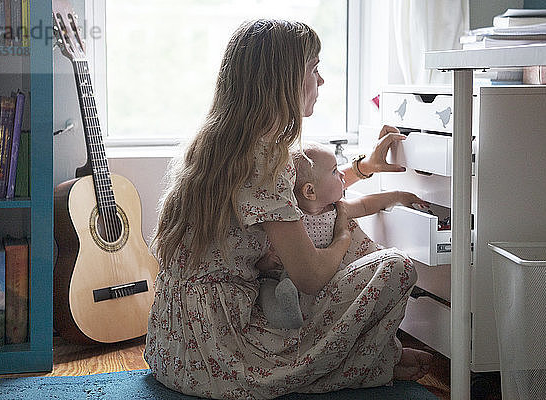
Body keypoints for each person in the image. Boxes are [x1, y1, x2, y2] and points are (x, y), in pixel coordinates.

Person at [145, 19, 432, 399]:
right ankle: (370, 362)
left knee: (322, 225)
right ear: (287, 81)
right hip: (220, 353)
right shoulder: (266, 159)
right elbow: (311, 276)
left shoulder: (220, 143)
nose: (322, 81)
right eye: (315, 68)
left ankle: (375, 358)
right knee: (396, 266)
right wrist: (344, 234)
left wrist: (362, 168)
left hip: (173, 346)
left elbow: (302, 193)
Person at [257, 142, 429, 330]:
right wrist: (268, 262)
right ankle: (283, 309)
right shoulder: (287, 221)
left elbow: (365, 204)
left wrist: (397, 195)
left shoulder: (337, 209)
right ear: (310, 191)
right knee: (270, 286)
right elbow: (261, 265)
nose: (341, 175)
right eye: (334, 171)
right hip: (295, 283)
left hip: (330, 281)